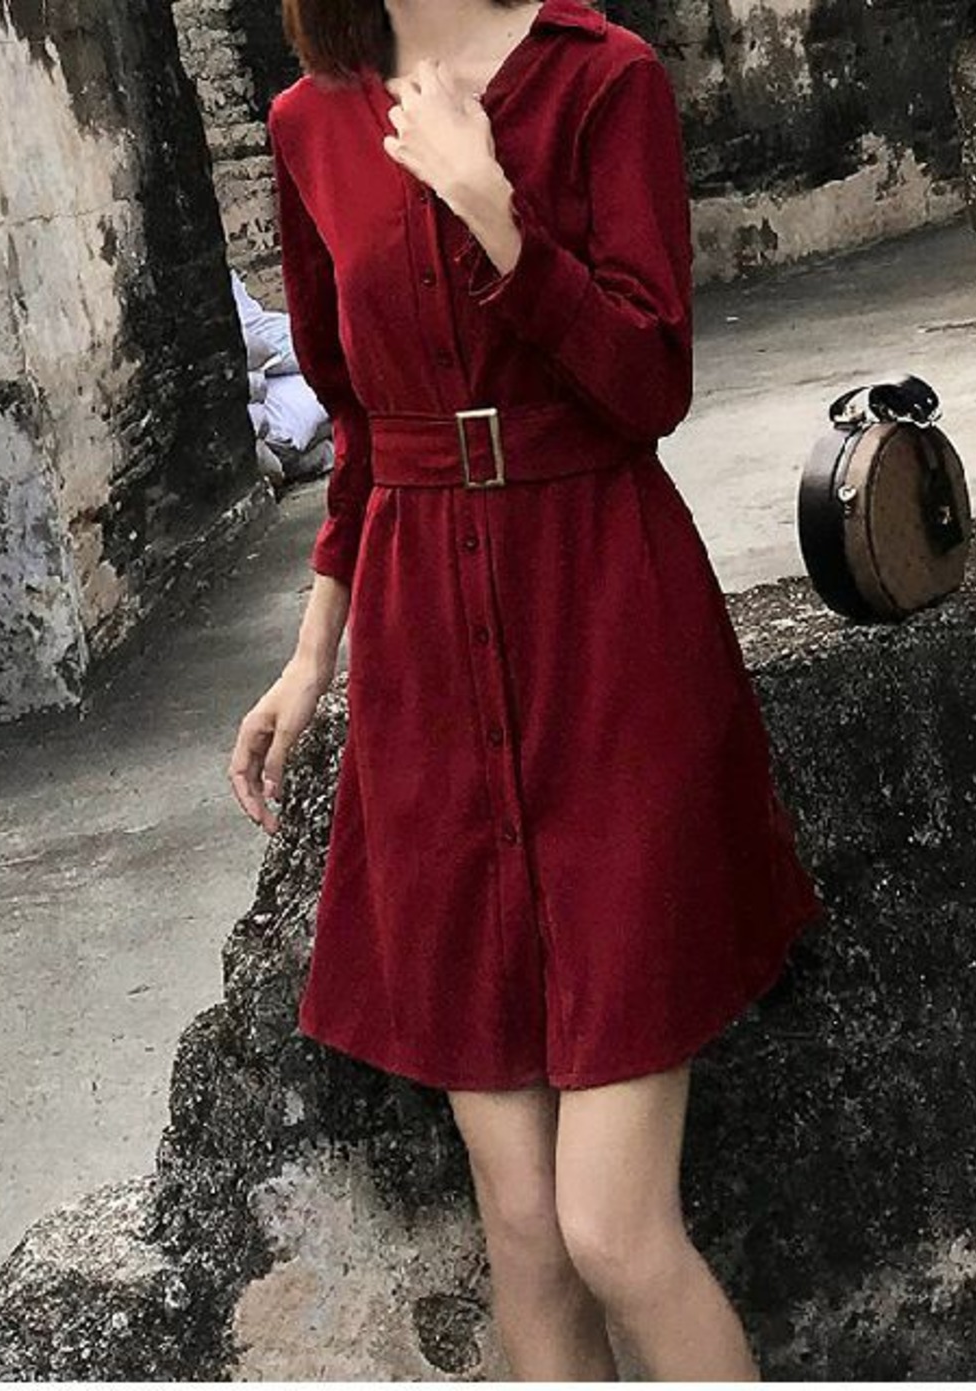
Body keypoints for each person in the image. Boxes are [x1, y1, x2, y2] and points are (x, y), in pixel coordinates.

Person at [229, 0, 826, 1378]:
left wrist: (495, 213)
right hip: (423, 665)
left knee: (614, 1230)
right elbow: (360, 426)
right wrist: (312, 658)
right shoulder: (310, 119)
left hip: (611, 639)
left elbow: (652, 381)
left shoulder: (603, 79)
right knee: (524, 1232)